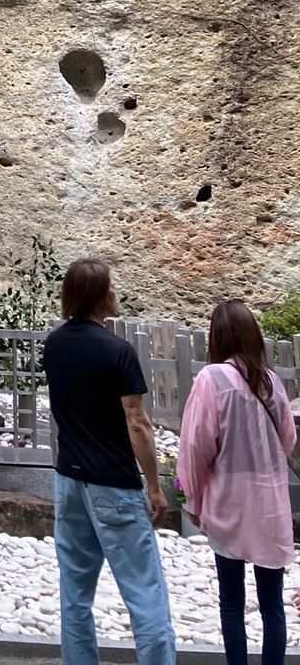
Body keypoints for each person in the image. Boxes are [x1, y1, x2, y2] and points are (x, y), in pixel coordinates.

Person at [42, 257, 175, 665]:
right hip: (114, 483)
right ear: (99, 296)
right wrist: (155, 486)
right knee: (145, 593)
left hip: (69, 480)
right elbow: (137, 422)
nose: (115, 293)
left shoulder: (54, 345)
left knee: (75, 595)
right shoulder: (118, 351)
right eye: (110, 287)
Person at [177, 299, 296, 665]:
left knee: (231, 601)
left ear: (217, 337)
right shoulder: (272, 382)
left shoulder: (211, 379)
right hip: (270, 502)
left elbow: (196, 445)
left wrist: (193, 496)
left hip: (229, 499)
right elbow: (287, 440)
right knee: (272, 604)